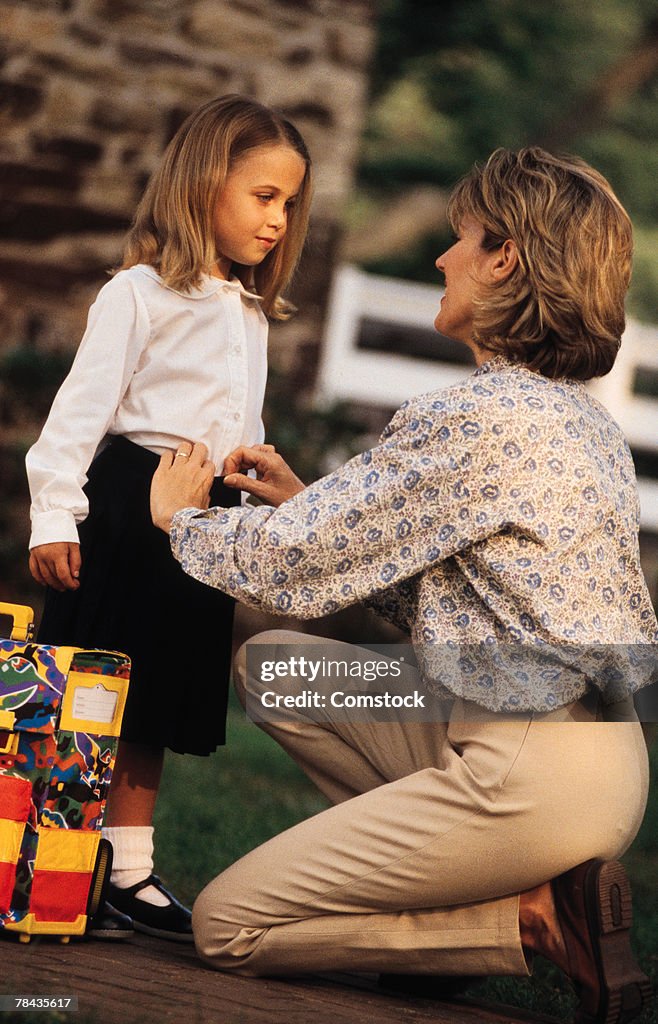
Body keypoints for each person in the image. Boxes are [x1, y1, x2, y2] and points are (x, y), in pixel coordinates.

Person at [150, 148, 656, 1022]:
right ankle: (467, 898)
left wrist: (177, 519)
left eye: (461, 240)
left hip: (527, 774)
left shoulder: (470, 416)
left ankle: (522, 921)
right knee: (279, 666)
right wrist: (311, 504)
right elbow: (465, 600)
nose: (441, 258)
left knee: (230, 925)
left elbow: (285, 565)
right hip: (604, 761)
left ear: (505, 258)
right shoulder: (585, 424)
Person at [25, 94, 312, 941]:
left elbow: (239, 420)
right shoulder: (138, 295)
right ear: (203, 184)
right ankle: (49, 859)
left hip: (204, 522)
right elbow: (80, 414)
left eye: (290, 204)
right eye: (264, 196)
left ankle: (130, 875)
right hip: (126, 507)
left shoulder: (253, 312)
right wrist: (54, 516)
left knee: (154, 700)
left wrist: (251, 481)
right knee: (94, 696)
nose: (278, 219)